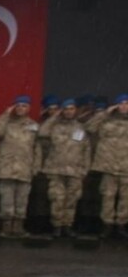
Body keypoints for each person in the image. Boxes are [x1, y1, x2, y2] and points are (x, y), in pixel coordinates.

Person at [38, 98, 92, 237]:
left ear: (75, 111)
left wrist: (84, 169)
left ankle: (67, 225)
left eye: (71, 109)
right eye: (66, 109)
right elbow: (42, 132)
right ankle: (56, 226)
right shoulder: (54, 126)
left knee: (72, 199)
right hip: (56, 169)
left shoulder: (80, 128)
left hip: (75, 170)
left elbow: (86, 149)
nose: (69, 112)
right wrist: (55, 115)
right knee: (57, 198)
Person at [0, 95, 41, 237]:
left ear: (29, 108)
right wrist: (5, 114)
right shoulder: (7, 122)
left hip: (25, 168)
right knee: (6, 200)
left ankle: (18, 226)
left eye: (24, 106)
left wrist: (36, 166)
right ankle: (6, 227)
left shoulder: (33, 126)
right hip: (7, 168)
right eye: (18, 105)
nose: (21, 108)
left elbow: (37, 148)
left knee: (22, 200)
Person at [87, 94, 128, 238]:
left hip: (126, 167)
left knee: (126, 199)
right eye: (121, 103)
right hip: (109, 166)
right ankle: (107, 225)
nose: (124, 106)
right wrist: (105, 113)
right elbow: (89, 127)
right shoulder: (106, 120)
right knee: (108, 197)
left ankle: (121, 225)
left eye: (127, 103)